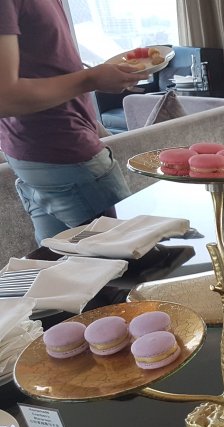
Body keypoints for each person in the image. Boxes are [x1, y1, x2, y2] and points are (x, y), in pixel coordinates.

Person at [0, 0, 144, 244]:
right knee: (127, 258)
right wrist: (91, 79)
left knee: (59, 263)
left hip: (35, 151)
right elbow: (5, 98)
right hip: (63, 154)